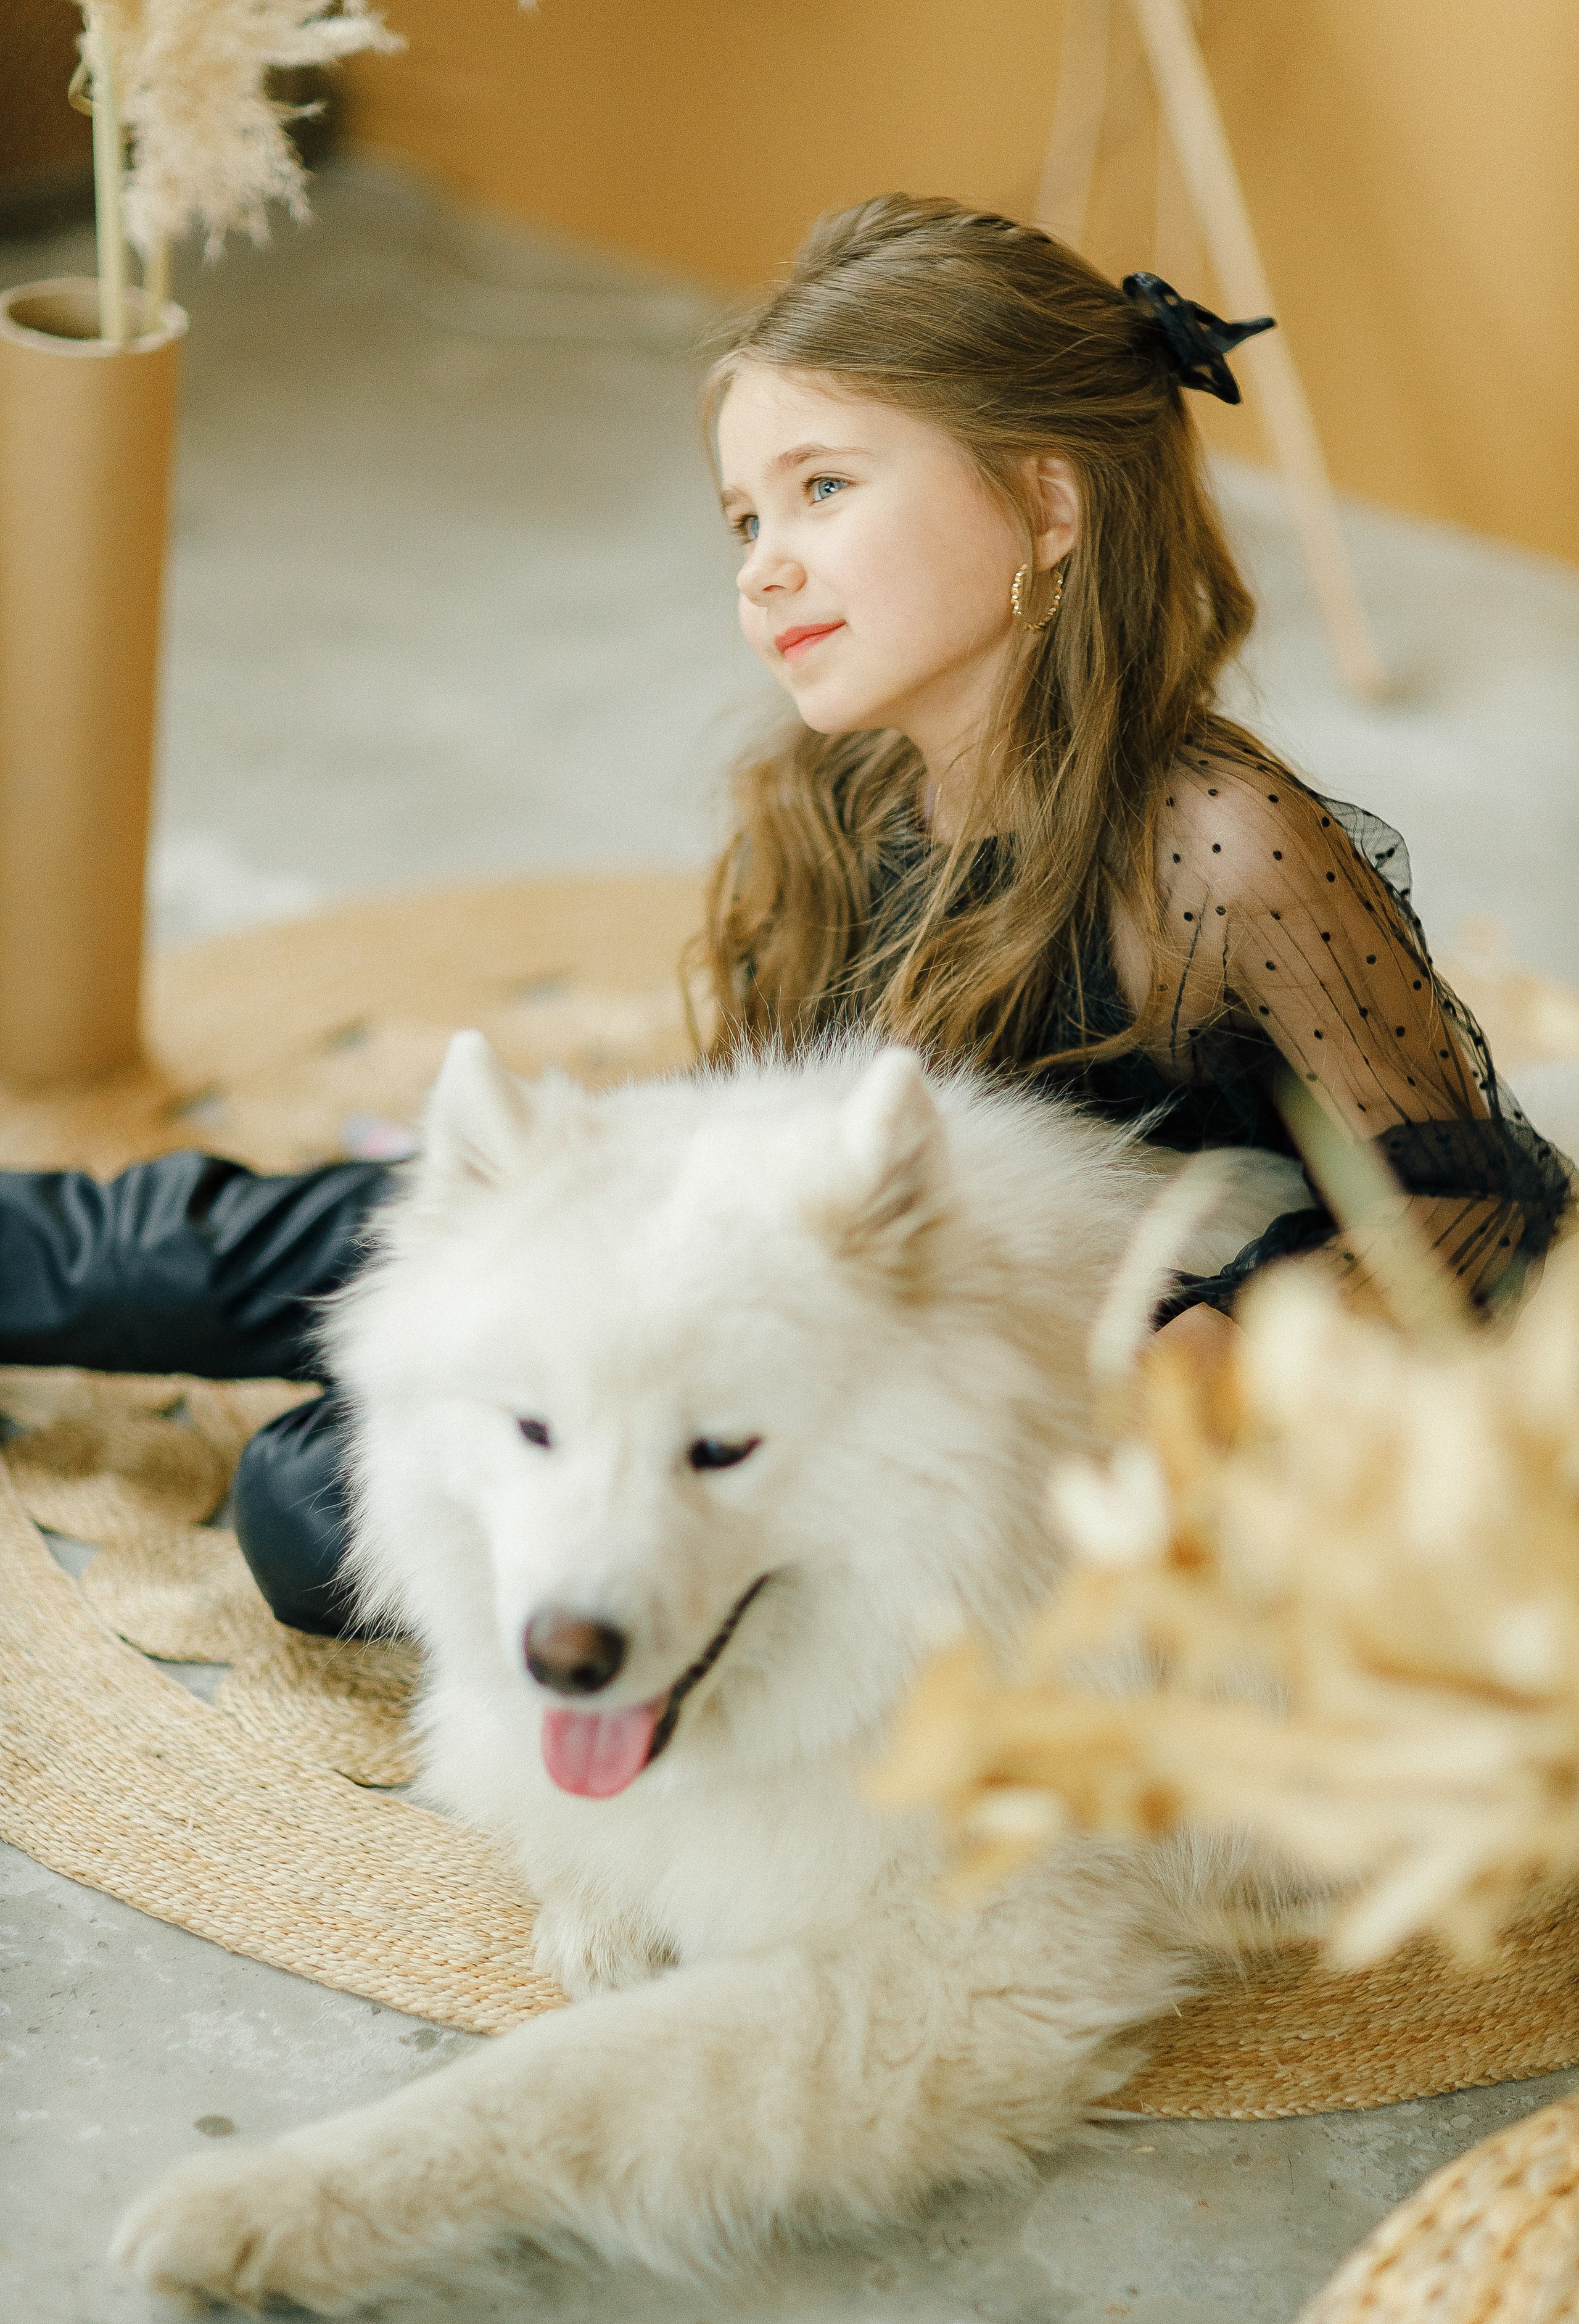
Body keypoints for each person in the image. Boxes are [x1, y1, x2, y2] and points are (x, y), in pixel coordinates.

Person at [1, 195, 1565, 1637]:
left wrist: (1218, 1344)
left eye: (821, 488)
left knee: (307, 1498)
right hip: (768, 1244)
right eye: (745, 519)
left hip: (927, 1363)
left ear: (1046, 504)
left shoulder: (1220, 846)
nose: (765, 567)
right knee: (263, 1238)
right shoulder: (839, 795)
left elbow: (1465, 1194)